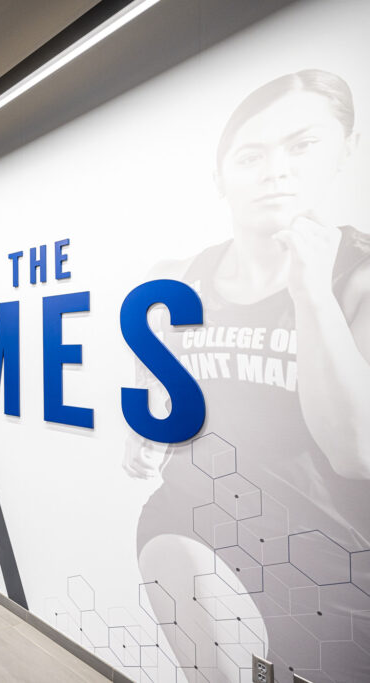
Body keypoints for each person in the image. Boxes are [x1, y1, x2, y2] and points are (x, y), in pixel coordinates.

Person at [126, 69, 370, 682]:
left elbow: (356, 453)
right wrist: (148, 421)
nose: (276, 171)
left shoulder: (357, 277)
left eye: (302, 145)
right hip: (196, 529)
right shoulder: (181, 275)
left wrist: (311, 290)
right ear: (220, 176)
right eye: (251, 154)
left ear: (345, 151)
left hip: (333, 563)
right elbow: (152, 368)